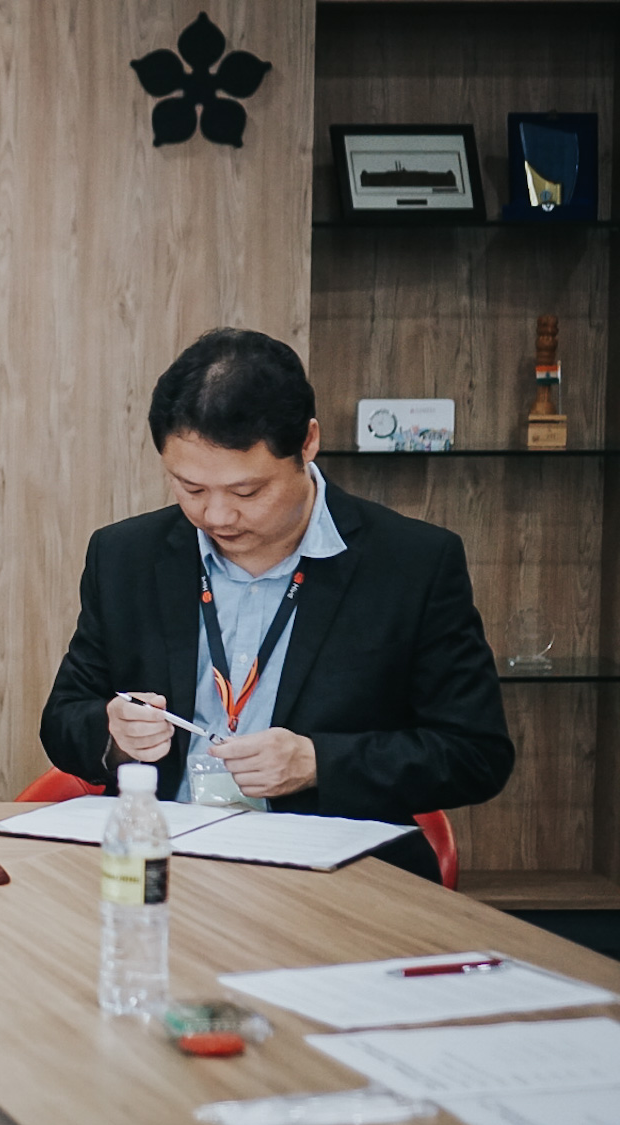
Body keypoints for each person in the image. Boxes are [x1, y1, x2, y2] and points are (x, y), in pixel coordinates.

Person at [39, 328, 514, 880]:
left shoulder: (411, 564)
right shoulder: (125, 556)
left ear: (307, 443)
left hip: (337, 885)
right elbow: (63, 719)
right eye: (190, 488)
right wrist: (113, 733)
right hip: (161, 868)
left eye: (247, 492)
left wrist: (317, 762)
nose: (217, 517)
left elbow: (476, 755)